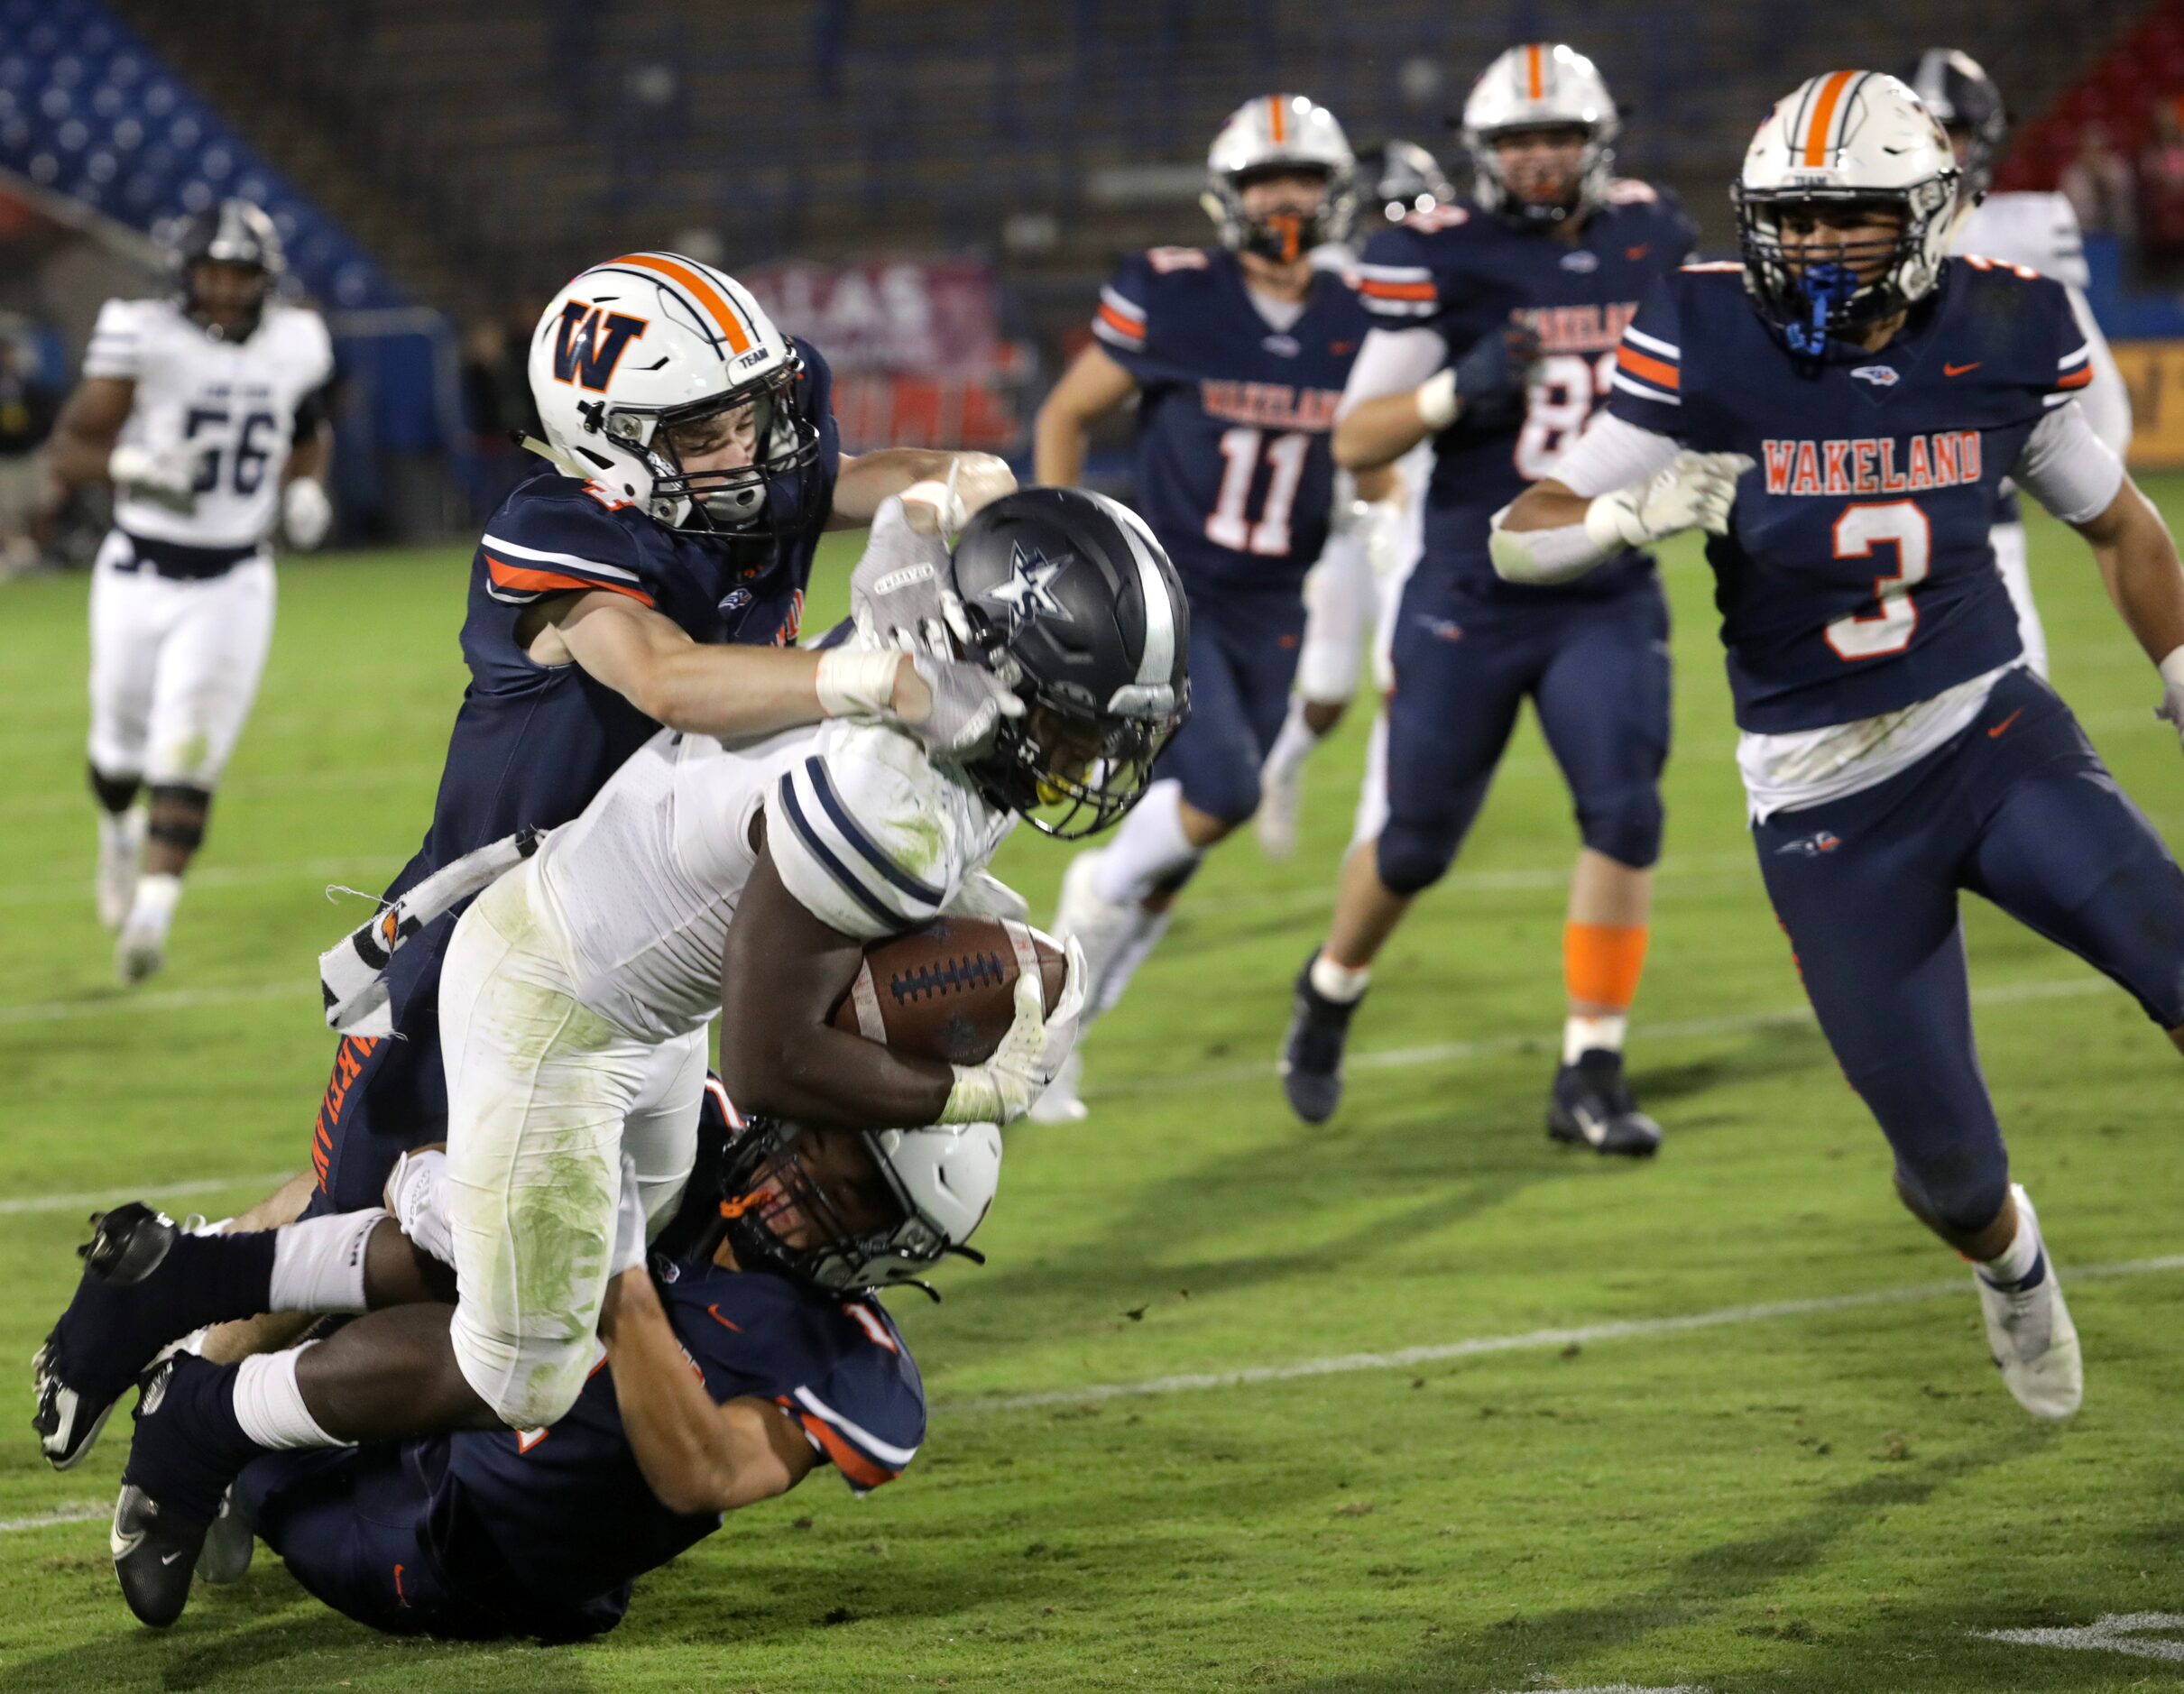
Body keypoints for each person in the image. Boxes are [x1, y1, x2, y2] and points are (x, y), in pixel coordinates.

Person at [37, 486, 1189, 1622]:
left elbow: (930, 509)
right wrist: (961, 1088)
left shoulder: (927, 661)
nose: (1090, 753)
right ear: (988, 663)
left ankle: (184, 1279)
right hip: (563, 1000)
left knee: (495, 1248)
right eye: (1077, 715)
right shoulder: (891, 799)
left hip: (635, 1000)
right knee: (522, 1363)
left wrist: (969, 497)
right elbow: (776, 1064)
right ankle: (209, 1418)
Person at [1492, 70, 2184, 1418]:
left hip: (1990, 733)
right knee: (1952, 1174)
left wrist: (2177, 664)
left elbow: (2119, 524)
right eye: (1792, 220)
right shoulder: (1703, 325)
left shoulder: (2000, 319)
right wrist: (1627, 518)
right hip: (1825, 804)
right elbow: (1521, 529)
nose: (1810, 248)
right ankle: (2013, 1262)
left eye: (1847, 219)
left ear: (1924, 212)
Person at [281, 251, 1021, 1253]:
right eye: (706, 432)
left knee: (605, 1234)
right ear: (612, 446)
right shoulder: (564, 534)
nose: (747, 448)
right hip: (486, 946)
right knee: (362, 1225)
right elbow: (669, 680)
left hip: (641, 946)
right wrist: (874, 679)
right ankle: (181, 1334)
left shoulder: (753, 481)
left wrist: (929, 518)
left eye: (748, 416)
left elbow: (962, 472)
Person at [75, 1079, 999, 1636]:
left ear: (899, 1245)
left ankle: (218, 1418)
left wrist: (625, 1289)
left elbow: (700, 1471)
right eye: (826, 1146)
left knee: (553, 1327)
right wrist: (438, 1186)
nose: (806, 1185)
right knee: (404, 1213)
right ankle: (189, 1341)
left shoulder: (849, 1364)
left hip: (455, 1548)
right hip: (439, 1377)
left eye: (856, 1196)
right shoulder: (701, 1128)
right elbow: (448, 1134)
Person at [1278, 44, 1697, 1155]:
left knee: (1626, 809)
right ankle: (1329, 986)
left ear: (1598, 140)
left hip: (1606, 575)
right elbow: (1354, 434)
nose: (1543, 159)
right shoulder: (1440, 258)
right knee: (1415, 840)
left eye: (1559, 135)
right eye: (1520, 142)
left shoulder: (1654, 238)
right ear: (1483, 155)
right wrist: (1451, 390)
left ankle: (1591, 1067)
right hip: (1474, 578)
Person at [1028, 94, 1377, 1120]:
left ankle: (1060, 1035)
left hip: (1279, 601)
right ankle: (1080, 909)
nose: (1285, 199)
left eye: (1303, 179)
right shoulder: (1176, 293)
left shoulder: (1358, 313)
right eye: (1266, 180)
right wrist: (1062, 537)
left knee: (1184, 849)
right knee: (1219, 791)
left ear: (1335, 193)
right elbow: (1067, 409)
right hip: (1175, 588)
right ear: (1228, 195)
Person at [40, 200, 336, 981]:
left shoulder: (295, 344)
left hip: (232, 579)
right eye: (213, 271)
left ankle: (153, 912)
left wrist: (306, 489)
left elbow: (308, 437)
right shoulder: (143, 334)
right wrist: (134, 469)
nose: (227, 290)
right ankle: (116, 835)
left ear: (264, 280)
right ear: (185, 273)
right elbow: (69, 449)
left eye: (241, 274)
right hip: (136, 573)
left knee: (189, 751)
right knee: (117, 751)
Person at [1254, 140, 1456, 861]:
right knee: (1329, 692)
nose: (1400, 229)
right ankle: (1278, 769)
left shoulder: (1444, 275)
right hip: (1336, 516)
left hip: (1413, 505)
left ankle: (1375, 836)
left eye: (1413, 212)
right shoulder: (1324, 284)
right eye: (1386, 214)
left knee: (1403, 676)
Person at [1905, 49, 2133, 675]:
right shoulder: (1848, 238)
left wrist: (2075, 481)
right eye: (1916, 131)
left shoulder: (2020, 234)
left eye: (1946, 132)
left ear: (1978, 139)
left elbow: (2097, 393)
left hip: (1982, 532)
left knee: (2013, 705)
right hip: (1863, 530)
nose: (1933, 151)